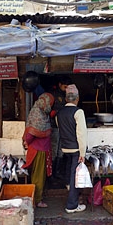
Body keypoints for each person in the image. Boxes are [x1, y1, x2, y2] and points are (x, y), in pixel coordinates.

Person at [56, 84, 87, 213]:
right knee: (75, 177)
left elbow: (60, 129)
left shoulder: (59, 113)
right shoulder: (78, 112)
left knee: (70, 173)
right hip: (75, 150)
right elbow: (81, 134)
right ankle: (71, 206)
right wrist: (83, 152)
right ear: (77, 98)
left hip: (65, 148)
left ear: (66, 99)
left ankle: (70, 189)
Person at [22, 93, 54, 208]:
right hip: (38, 151)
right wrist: (27, 142)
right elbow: (30, 134)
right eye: (50, 103)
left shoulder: (40, 112)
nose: (50, 106)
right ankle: (37, 200)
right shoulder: (38, 115)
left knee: (39, 175)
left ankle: (35, 198)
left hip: (40, 149)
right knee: (38, 176)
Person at [49, 76, 72, 180]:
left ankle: (57, 172)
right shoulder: (53, 95)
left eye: (67, 87)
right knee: (54, 150)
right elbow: (49, 111)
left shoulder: (68, 95)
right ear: (59, 85)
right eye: (64, 86)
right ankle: (51, 174)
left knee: (61, 150)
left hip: (64, 127)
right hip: (54, 126)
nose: (66, 88)